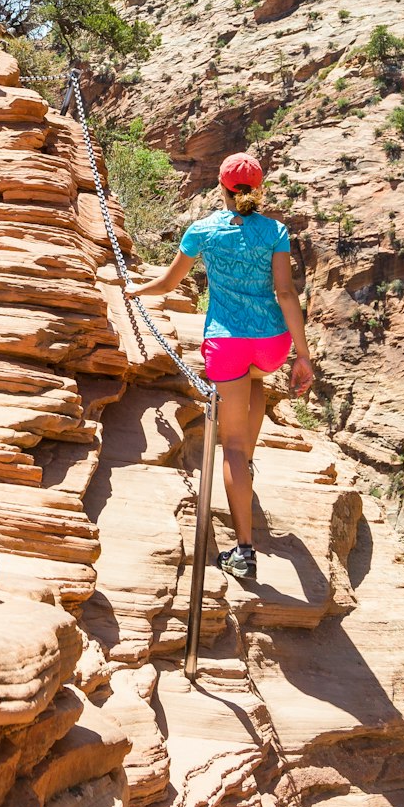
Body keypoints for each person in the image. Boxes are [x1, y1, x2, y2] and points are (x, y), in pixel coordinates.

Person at [126, 151, 313, 580]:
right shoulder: (275, 231)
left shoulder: (203, 230)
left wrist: (135, 290)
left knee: (227, 446)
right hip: (271, 345)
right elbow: (286, 294)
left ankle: (244, 551)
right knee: (256, 383)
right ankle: (245, 462)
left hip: (226, 344)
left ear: (222, 188)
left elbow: (170, 283)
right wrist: (302, 355)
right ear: (257, 188)